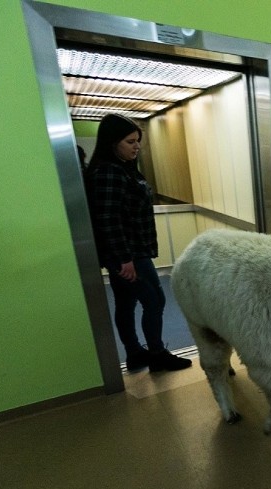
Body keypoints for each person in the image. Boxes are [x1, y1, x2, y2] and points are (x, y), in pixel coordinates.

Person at [85, 113, 192, 373]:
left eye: (137, 141)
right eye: (130, 142)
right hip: (129, 255)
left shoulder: (123, 169)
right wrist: (124, 259)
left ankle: (134, 353)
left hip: (132, 252)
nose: (136, 147)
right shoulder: (108, 172)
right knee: (154, 301)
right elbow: (108, 219)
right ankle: (156, 354)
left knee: (126, 302)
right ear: (112, 143)